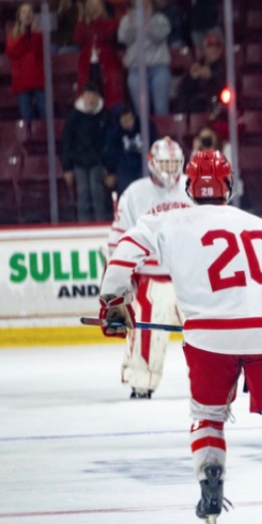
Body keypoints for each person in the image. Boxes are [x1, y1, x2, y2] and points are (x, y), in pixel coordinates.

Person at [98, 149, 262, 524]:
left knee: (208, 415)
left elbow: (123, 254)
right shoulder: (261, 226)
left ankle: (210, 484)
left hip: (212, 335)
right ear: (230, 187)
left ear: (188, 186)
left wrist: (113, 300)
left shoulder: (166, 219)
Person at [106, 137, 193, 399]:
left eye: (174, 163)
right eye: (164, 163)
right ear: (152, 163)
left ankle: (222, 379)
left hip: (190, 274)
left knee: (210, 326)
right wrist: (122, 280)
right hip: (153, 276)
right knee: (149, 325)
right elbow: (118, 240)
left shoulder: (192, 186)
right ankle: (141, 380)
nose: (169, 169)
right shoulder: (135, 192)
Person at [119, 0, 173, 116]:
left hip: (158, 69)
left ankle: (162, 136)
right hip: (136, 69)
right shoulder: (127, 20)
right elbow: (123, 39)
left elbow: (159, 37)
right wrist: (134, 25)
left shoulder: (161, 19)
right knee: (141, 112)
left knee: (161, 109)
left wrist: (147, 21)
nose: (142, 0)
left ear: (150, 0)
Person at [61, 87, 110, 222]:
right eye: (88, 95)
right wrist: (67, 167)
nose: (90, 99)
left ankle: (101, 224)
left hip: (97, 162)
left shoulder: (103, 115)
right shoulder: (73, 116)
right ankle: (84, 225)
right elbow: (66, 142)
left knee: (97, 192)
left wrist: (107, 165)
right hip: (79, 162)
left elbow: (107, 142)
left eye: (93, 95)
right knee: (83, 193)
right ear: (83, 97)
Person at [75, 0, 124, 108]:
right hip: (87, 64)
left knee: (109, 93)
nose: (94, 7)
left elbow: (106, 35)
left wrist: (94, 21)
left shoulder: (111, 22)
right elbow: (77, 39)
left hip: (107, 63)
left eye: (97, 4)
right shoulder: (84, 24)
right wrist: (81, 19)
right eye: (91, 5)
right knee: (88, 93)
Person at [103, 103, 157, 196]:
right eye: (124, 120)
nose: (127, 122)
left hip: (143, 164)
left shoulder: (145, 126)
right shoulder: (115, 133)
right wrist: (110, 171)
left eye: (129, 119)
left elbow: (156, 145)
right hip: (125, 167)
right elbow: (111, 153)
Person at [5, 2, 45, 121]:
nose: (27, 14)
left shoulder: (39, 34)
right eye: (24, 11)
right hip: (22, 82)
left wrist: (33, 33)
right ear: (19, 16)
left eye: (29, 11)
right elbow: (11, 52)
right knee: (26, 116)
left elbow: (40, 50)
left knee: (45, 114)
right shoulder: (13, 35)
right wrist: (22, 35)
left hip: (38, 80)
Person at [175, 33, 226, 114]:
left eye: (215, 48)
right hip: (196, 103)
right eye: (209, 47)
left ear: (219, 50)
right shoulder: (197, 66)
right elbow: (184, 87)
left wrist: (211, 76)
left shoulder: (225, 67)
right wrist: (191, 78)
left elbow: (228, 84)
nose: (212, 50)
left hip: (215, 102)